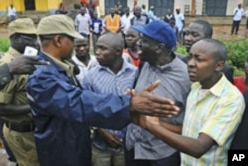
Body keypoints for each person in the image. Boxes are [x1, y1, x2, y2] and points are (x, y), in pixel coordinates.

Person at [27, 14, 180, 166]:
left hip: (72, 145)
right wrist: (129, 104)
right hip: (61, 152)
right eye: (71, 40)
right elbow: (79, 102)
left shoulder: (58, 67)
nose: (75, 45)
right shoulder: (42, 77)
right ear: (58, 40)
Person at [133, 38, 245, 166]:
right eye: (190, 57)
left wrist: (148, 125)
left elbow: (199, 148)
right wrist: (157, 123)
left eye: (199, 59)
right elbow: (189, 131)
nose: (190, 63)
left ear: (219, 65)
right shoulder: (196, 87)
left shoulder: (230, 99)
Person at [125, 20, 191, 166]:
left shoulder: (186, 77)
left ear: (159, 48)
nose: (138, 43)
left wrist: (156, 124)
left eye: (144, 40)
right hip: (134, 147)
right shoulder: (145, 64)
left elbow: (190, 127)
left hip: (162, 155)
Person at [82, 33, 137, 166]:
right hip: (100, 144)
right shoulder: (91, 77)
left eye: (103, 49)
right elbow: (85, 108)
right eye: (97, 48)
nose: (97, 53)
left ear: (118, 51)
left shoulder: (134, 74)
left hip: (126, 144)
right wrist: (102, 132)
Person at [0, 18, 40, 166]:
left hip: (32, 129)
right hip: (21, 133)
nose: (35, 43)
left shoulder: (27, 59)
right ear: (15, 38)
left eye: (36, 38)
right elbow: (1, 108)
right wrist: (36, 107)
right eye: (30, 38)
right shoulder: (9, 65)